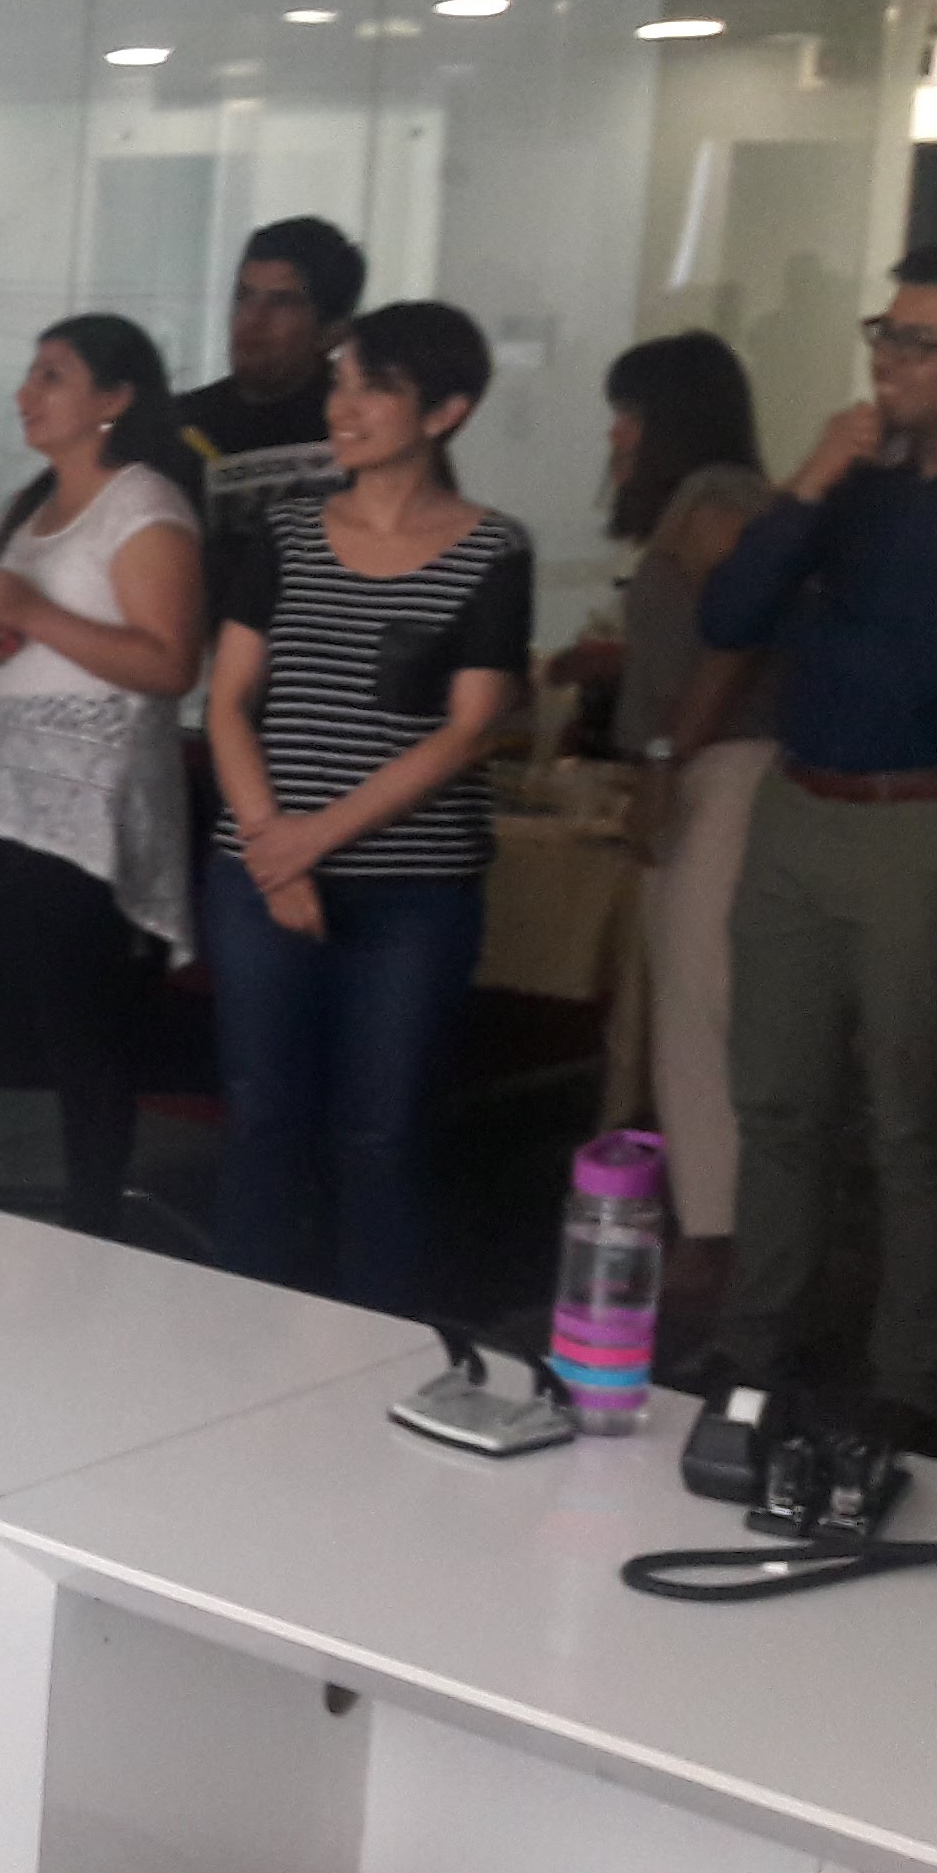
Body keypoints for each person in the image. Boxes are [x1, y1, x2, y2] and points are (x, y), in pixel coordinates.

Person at [701, 244, 937, 1393]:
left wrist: (821, 617)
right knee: (777, 1103)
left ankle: (909, 1378)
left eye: (919, 342)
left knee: (911, 1119)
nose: (888, 360)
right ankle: (754, 1344)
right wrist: (807, 486)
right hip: (799, 805)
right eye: (883, 333)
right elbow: (729, 615)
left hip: (925, 822)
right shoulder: (857, 473)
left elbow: (927, 659)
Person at [200, 300, 534, 1316]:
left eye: (373, 388)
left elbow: (469, 730)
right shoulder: (285, 530)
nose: (342, 408)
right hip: (261, 872)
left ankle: (373, 1346)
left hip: (414, 890)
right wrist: (275, 851)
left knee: (382, 1131)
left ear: (446, 412)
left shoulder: (492, 548)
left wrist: (311, 841)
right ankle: (239, 1340)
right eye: (341, 384)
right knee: (260, 1117)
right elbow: (228, 702)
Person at [0, 316, 206, 1238]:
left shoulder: (144, 506)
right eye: (31, 372)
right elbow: (27, 645)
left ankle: (92, 1221)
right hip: (14, 795)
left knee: (84, 1032)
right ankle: (68, 1210)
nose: (28, 393)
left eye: (53, 375)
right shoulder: (34, 505)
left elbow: (171, 663)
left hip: (91, 805)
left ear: (114, 399)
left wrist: (36, 615)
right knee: (27, 1025)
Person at [586, 331, 777, 1327]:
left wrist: (668, 753)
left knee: (700, 1007)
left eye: (630, 414)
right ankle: (706, 1223)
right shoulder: (696, 503)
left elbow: (742, 638)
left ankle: (717, 1238)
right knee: (682, 1002)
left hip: (725, 772)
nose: (616, 435)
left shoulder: (717, 500)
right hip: (705, 767)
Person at [175, 216, 369, 577]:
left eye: (282, 303)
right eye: (244, 296)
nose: (252, 320)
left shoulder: (367, 428)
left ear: (332, 333)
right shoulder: (181, 420)